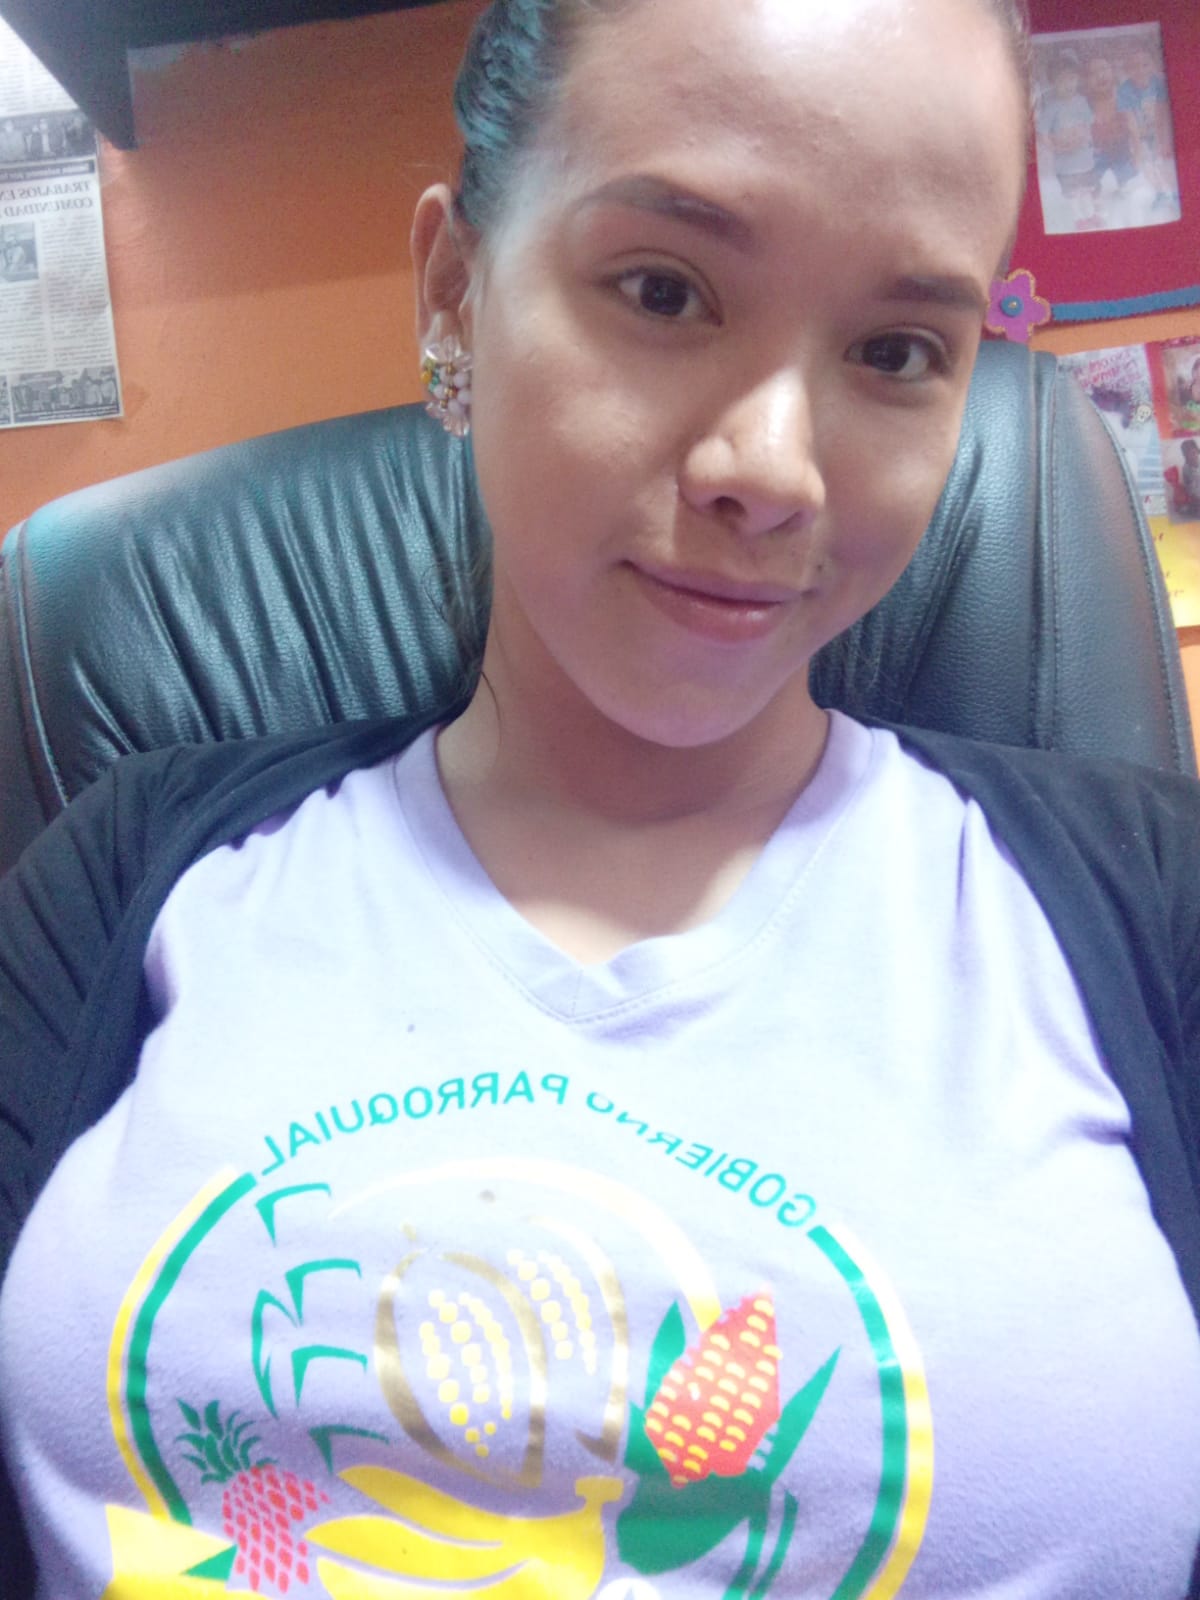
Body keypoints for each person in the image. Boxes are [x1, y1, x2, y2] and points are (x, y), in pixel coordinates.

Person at [1, 1, 1199, 1597]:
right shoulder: (130, 879)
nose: (773, 467)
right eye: (664, 291)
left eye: (896, 351)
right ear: (454, 289)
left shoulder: (1151, 908)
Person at [1034, 46, 1100, 229]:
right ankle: (1079, 219)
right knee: (1072, 193)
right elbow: (1042, 133)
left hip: (1084, 159)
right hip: (1065, 165)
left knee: (1087, 190)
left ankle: (1091, 215)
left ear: (1077, 79)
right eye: (1062, 80)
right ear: (1053, 83)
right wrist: (1055, 147)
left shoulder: (1082, 101)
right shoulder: (1051, 108)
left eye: (1072, 78)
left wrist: (1084, 136)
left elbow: (1089, 123)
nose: (1068, 84)